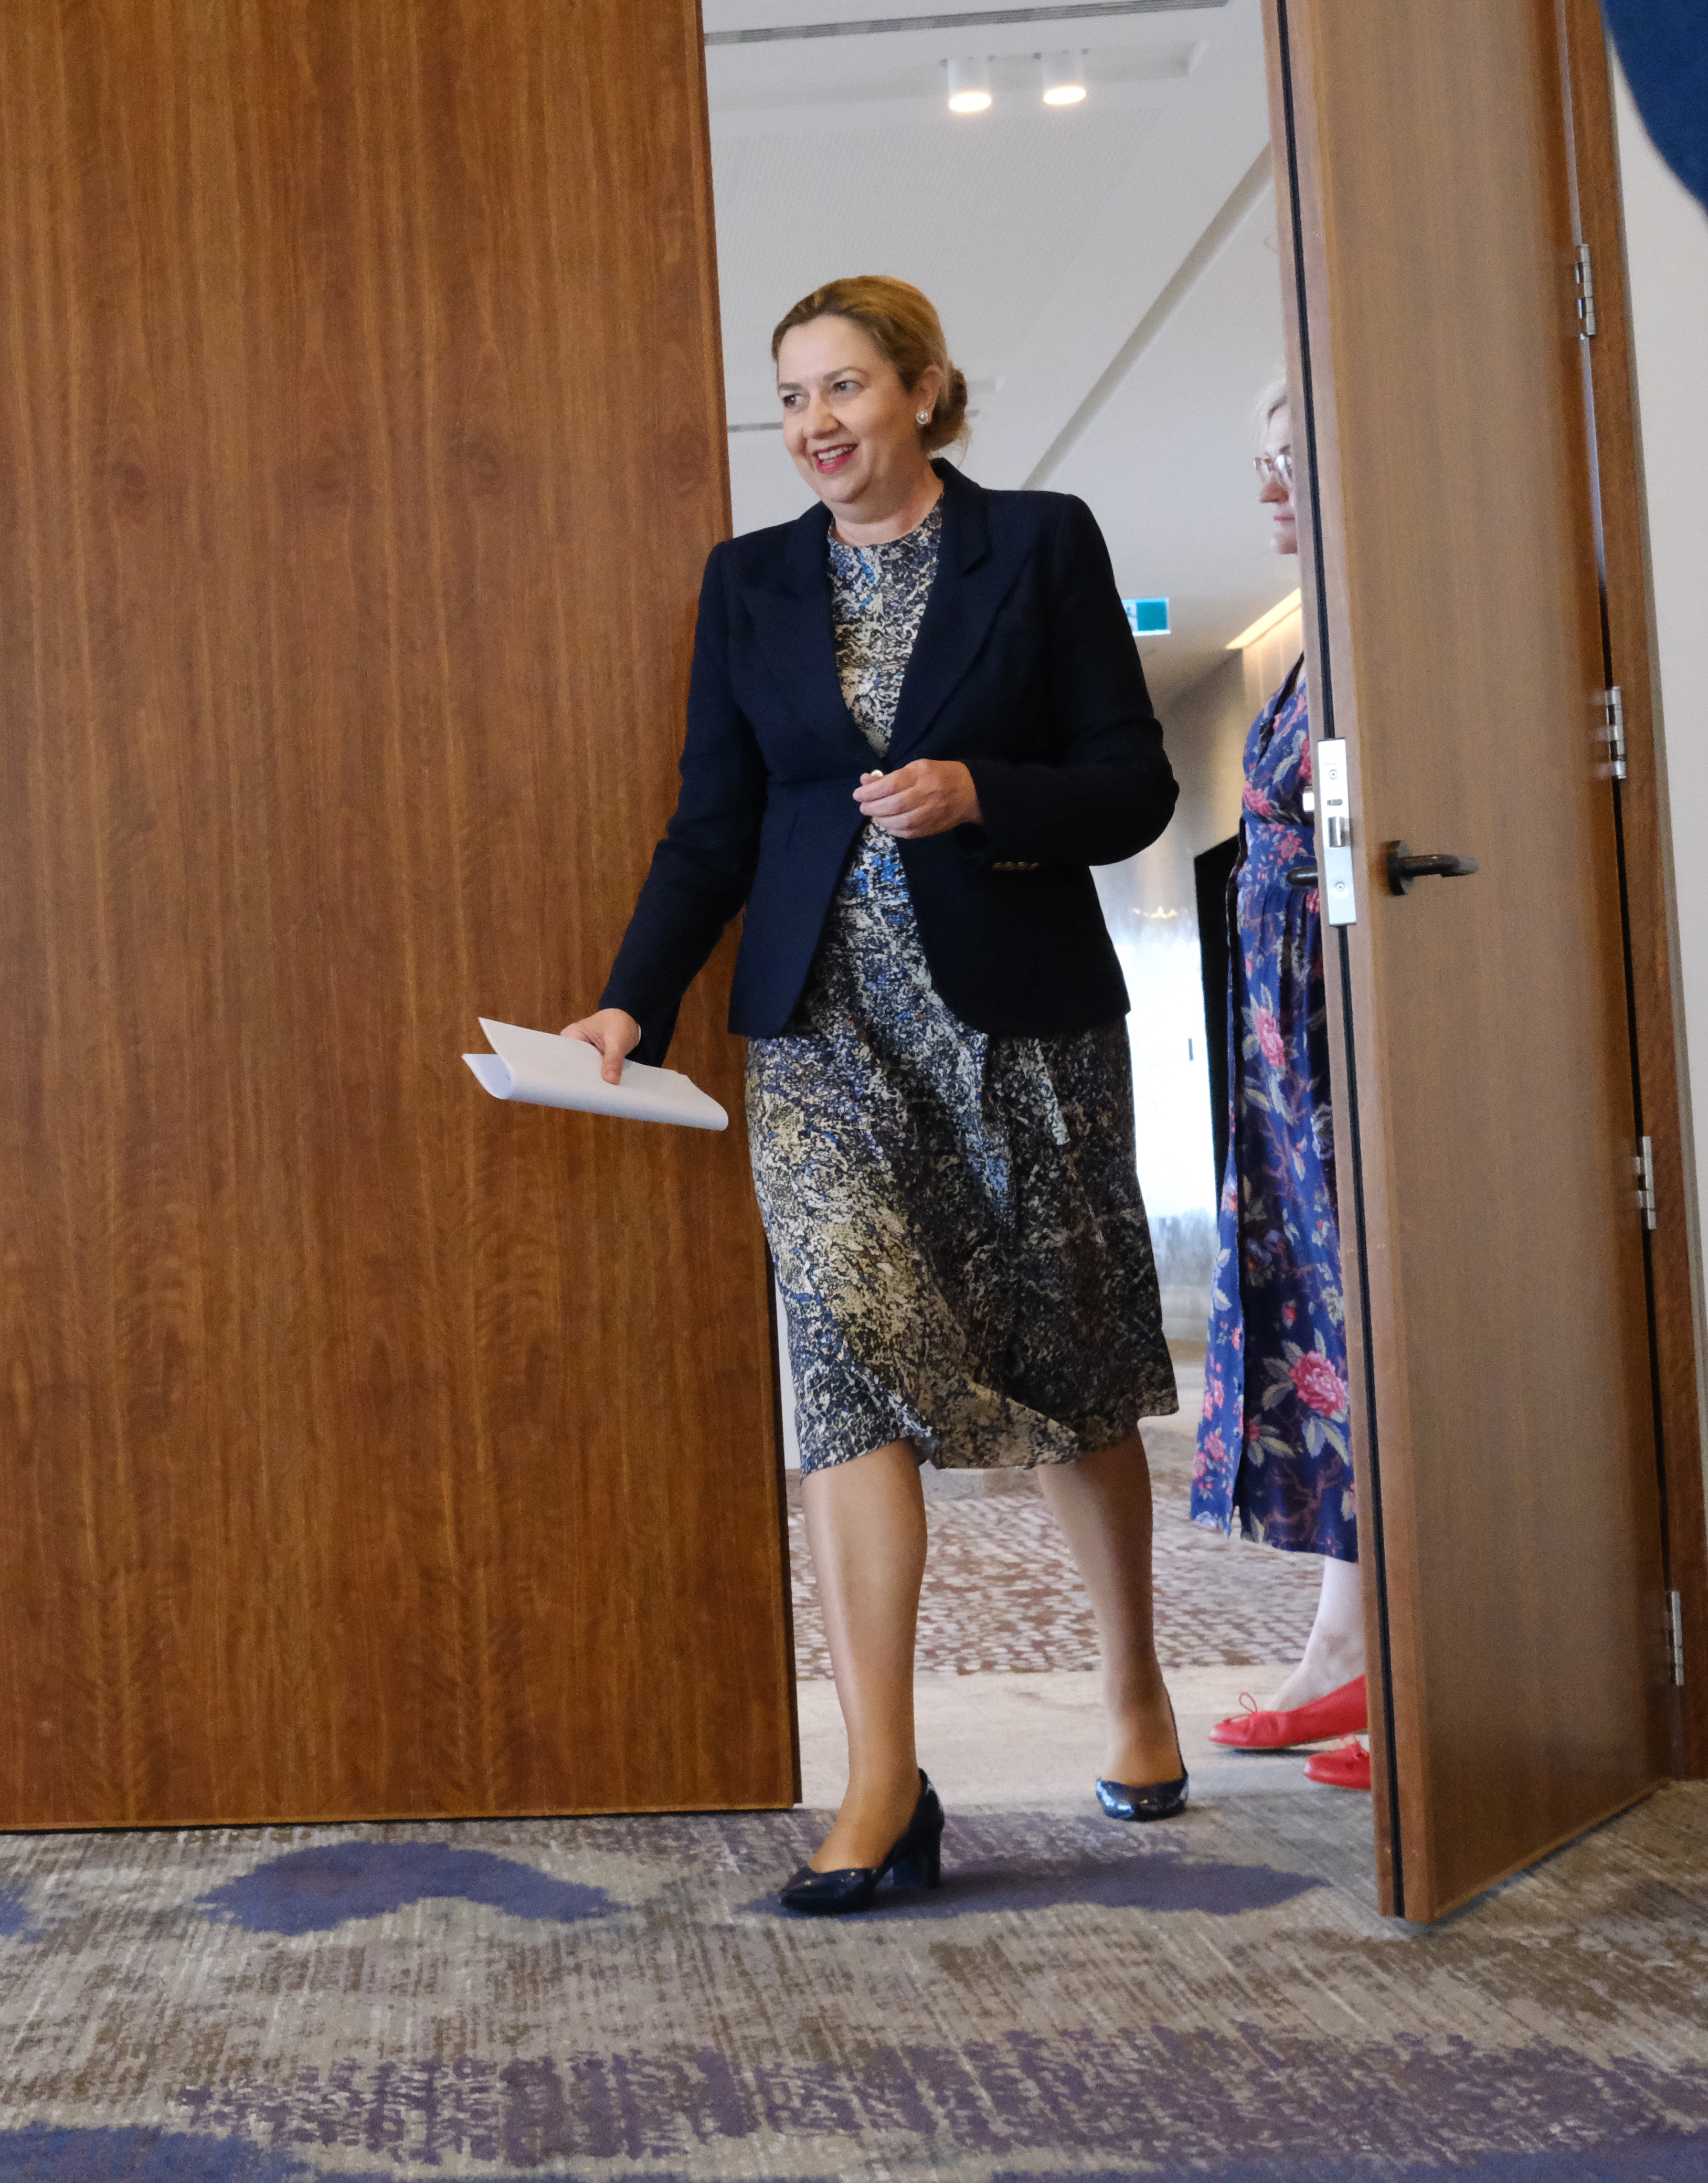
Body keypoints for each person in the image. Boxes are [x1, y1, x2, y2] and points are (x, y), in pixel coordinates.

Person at [566, 276, 1184, 1915]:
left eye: (844, 386)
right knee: (843, 1376)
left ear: (922, 391)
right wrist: (634, 1001)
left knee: (1068, 1360)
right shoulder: (749, 581)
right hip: (822, 1037)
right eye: (790, 398)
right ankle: (881, 1780)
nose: (815, 423)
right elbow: (711, 824)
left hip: (1016, 1034)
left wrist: (986, 790)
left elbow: (1134, 785)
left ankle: (1131, 1688)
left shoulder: (1040, 544)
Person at [1193, 383, 1368, 1793]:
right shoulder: (1315, 641)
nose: (1269, 489)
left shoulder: (1402, 622)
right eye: (1261, 464)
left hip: (1361, 1037)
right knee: (1326, 1327)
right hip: (1287, 1048)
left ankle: (1425, 1665)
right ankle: (1349, 1640)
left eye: (1292, 459)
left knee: (1394, 1339)